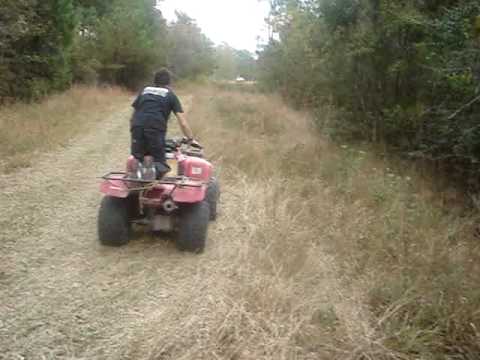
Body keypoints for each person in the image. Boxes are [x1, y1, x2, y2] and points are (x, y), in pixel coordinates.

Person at [130, 68, 195, 178]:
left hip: (137, 126)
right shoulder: (171, 95)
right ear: (169, 83)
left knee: (139, 158)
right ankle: (152, 185)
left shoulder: (144, 91)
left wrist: (135, 130)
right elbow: (183, 122)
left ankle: (138, 182)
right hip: (155, 128)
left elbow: (132, 116)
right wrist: (190, 138)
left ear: (154, 81)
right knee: (160, 165)